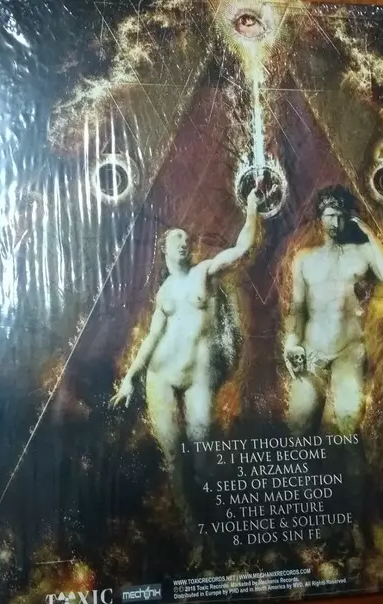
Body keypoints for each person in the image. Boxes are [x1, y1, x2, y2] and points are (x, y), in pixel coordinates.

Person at [110, 183, 268, 550]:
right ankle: (195, 537)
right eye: (176, 239)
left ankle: (216, 530)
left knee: (202, 455)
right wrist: (131, 378)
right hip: (161, 377)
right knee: (173, 458)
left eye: (186, 239)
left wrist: (251, 209)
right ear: (164, 250)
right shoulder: (164, 292)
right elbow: (152, 337)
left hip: (198, 379)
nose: (184, 243)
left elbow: (241, 249)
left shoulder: (204, 273)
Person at [283, 184, 383, 435]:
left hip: (348, 350)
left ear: (349, 217)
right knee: (299, 426)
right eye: (330, 215)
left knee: (347, 425)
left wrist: (368, 233)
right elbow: (297, 308)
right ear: (320, 218)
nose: (335, 222)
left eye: (341, 216)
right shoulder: (304, 258)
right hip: (312, 350)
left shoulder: (361, 252)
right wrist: (291, 343)